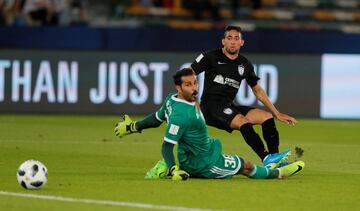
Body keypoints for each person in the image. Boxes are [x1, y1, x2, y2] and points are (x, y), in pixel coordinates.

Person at [115, 25, 298, 169]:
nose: (233, 42)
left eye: (237, 38)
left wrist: (277, 112)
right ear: (223, 41)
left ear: (242, 43)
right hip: (210, 107)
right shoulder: (210, 56)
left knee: (265, 117)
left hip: (228, 105)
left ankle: (274, 159)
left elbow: (257, 89)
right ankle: (266, 157)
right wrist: (192, 99)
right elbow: (189, 74)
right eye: (229, 38)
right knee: (243, 122)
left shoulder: (245, 64)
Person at [115, 68, 304, 180]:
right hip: (205, 163)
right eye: (188, 85)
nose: (194, 88)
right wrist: (174, 169)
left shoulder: (171, 100)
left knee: (223, 150)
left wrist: (133, 127)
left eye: (195, 83)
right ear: (178, 88)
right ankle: (278, 174)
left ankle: (168, 166)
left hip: (199, 152)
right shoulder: (182, 115)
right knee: (245, 166)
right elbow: (166, 146)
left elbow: (155, 119)